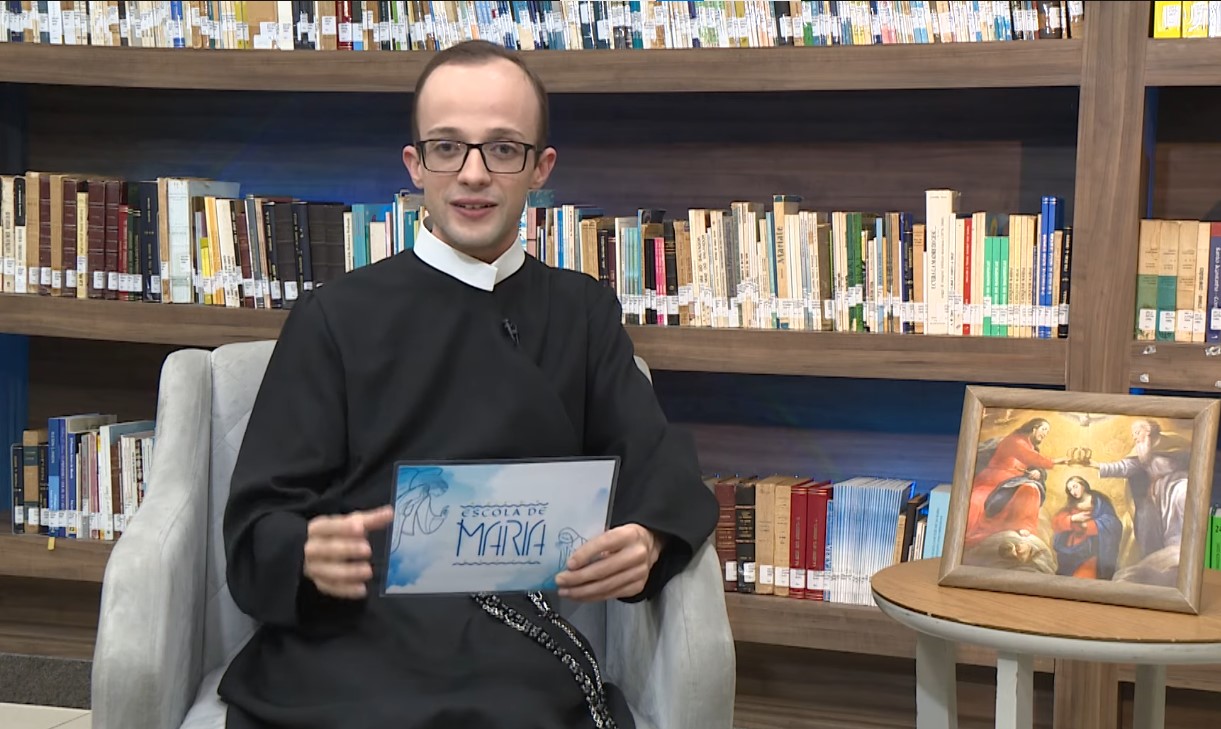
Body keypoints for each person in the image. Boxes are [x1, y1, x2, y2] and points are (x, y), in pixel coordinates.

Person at [217, 39, 719, 729]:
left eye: (502, 149)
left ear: (540, 168)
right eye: (448, 148)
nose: (473, 174)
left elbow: (656, 463)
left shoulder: (580, 312)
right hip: (351, 649)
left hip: (512, 654)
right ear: (415, 164)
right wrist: (304, 552)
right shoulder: (332, 316)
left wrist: (651, 538)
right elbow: (258, 521)